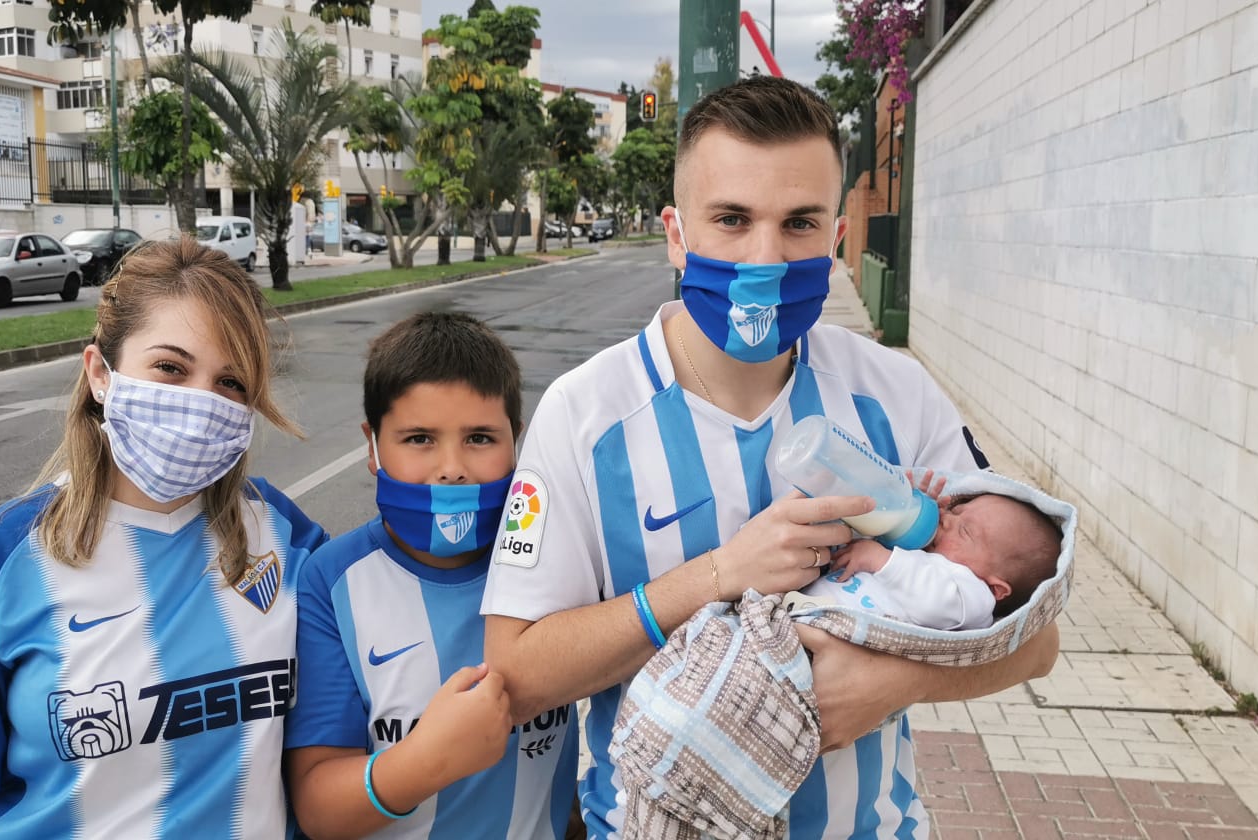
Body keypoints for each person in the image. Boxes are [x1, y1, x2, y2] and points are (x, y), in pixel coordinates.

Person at [480, 75, 1061, 838]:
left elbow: (1035, 641)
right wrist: (716, 577)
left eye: (799, 224)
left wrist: (890, 681)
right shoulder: (585, 415)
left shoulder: (897, 393)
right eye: (731, 219)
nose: (765, 257)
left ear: (837, 239)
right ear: (677, 234)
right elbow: (515, 677)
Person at [0, 239, 328, 840]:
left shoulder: (286, 533)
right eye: (171, 368)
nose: (200, 402)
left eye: (230, 382)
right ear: (101, 374)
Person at [286, 312, 579, 839]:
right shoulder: (332, 584)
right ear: (372, 447)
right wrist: (425, 761)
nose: (451, 468)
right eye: (419, 438)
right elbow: (317, 806)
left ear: (520, 440)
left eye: (480, 438)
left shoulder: (558, 561)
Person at [810, 489, 1065, 631]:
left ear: (996, 588)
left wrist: (881, 560)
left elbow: (934, 599)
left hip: (828, 636)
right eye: (955, 511)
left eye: (965, 531)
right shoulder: (921, 558)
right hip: (801, 613)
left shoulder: (972, 598)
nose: (946, 518)